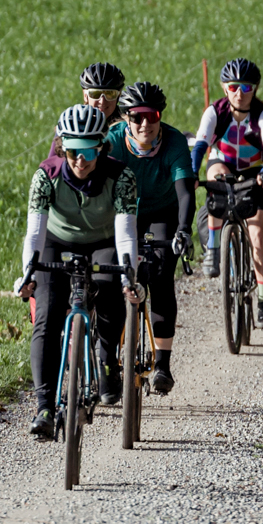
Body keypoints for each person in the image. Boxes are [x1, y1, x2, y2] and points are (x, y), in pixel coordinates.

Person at [15, 103, 140, 440]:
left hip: (103, 240)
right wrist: (28, 273)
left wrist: (129, 275)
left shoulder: (122, 177)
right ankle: (44, 407)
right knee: (48, 315)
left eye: (87, 150)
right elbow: (35, 232)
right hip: (57, 241)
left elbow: (126, 233)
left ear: (101, 147)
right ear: (61, 146)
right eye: (72, 150)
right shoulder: (46, 176)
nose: (80, 159)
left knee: (110, 288)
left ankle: (106, 357)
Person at [109, 81, 197, 393]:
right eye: (136, 117)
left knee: (160, 275)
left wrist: (184, 230)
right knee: (114, 275)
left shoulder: (173, 142)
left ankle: (163, 364)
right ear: (125, 118)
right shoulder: (114, 141)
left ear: (160, 115)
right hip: (124, 213)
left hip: (163, 211)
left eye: (152, 115)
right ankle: (107, 356)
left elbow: (185, 192)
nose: (145, 123)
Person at [189, 58, 263, 328]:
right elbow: (200, 144)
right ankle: (213, 249)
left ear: (255, 89)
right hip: (223, 162)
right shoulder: (215, 111)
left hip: (255, 170)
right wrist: (193, 172)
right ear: (224, 88)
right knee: (216, 179)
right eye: (233, 87)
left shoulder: (262, 114)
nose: (239, 93)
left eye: (246, 87)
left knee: (257, 233)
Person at [45, 63, 128, 171]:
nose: (102, 101)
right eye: (95, 94)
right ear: (85, 95)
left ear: (119, 95)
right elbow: (53, 166)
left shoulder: (129, 125)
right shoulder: (70, 124)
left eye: (110, 94)